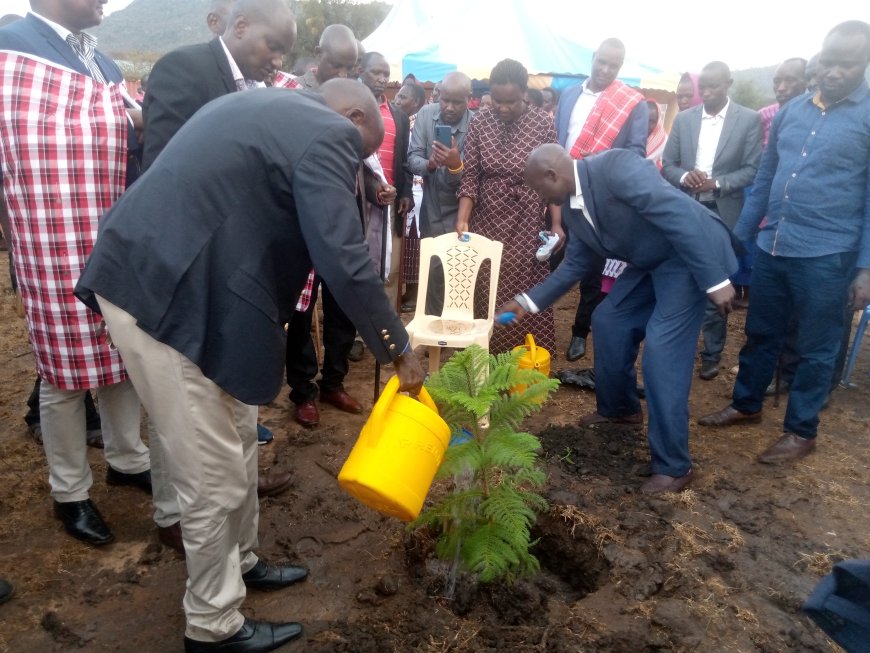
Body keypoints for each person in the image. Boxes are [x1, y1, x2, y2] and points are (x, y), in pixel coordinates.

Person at [75, 78, 425, 653]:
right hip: (169, 299)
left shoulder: (259, 103)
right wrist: (397, 348)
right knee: (211, 475)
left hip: (196, 285)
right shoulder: (329, 133)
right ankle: (213, 625)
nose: (358, 166)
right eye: (364, 150)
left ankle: (242, 560)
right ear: (354, 116)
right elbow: (343, 253)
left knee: (238, 436)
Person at [0, 0, 160, 547]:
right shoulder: (10, 48)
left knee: (120, 354)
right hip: (48, 239)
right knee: (62, 373)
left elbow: (127, 140)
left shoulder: (104, 63)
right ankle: (70, 492)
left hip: (111, 234)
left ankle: (127, 458)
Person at [500, 144, 739, 494]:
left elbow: (675, 212)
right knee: (609, 319)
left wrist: (714, 279)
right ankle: (620, 409)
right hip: (650, 260)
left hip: (689, 253)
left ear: (553, 175)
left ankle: (674, 466)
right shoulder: (572, 208)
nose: (540, 198)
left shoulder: (615, 166)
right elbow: (577, 266)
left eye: (539, 189)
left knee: (662, 349)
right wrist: (526, 301)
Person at [141, 0, 298, 520]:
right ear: (239, 25)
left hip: (233, 263)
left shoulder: (255, 88)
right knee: (183, 407)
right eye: (271, 46)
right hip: (184, 263)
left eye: (284, 52)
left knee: (226, 394)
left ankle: (240, 491)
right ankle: (175, 514)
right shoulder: (185, 68)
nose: (276, 60)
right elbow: (164, 170)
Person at [698, 20, 870, 465]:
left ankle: (801, 430)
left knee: (816, 346)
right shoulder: (794, 111)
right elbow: (765, 179)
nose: (832, 72)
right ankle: (746, 404)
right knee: (760, 333)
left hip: (829, 255)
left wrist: (866, 268)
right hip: (773, 245)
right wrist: (737, 242)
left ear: (864, 63)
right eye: (827, 62)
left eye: (845, 64)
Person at [284, 24, 367, 427]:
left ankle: (334, 381)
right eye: (338, 65)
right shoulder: (293, 94)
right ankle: (303, 391)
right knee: (300, 312)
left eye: (351, 67)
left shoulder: (352, 95)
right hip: (301, 221)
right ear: (318, 55)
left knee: (343, 306)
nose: (344, 75)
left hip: (342, 216)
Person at [661, 61, 762, 381]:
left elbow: (751, 169)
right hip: (687, 209)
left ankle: (712, 354)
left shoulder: (748, 120)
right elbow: (668, 165)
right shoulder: (686, 119)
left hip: (722, 211)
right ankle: (681, 346)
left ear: (728, 84)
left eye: (713, 86)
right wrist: (685, 177)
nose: (705, 92)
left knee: (719, 281)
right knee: (682, 275)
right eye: (702, 86)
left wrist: (715, 183)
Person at [456, 59, 560, 354]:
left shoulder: (543, 123)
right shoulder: (480, 121)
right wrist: (463, 219)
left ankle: (517, 358)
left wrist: (555, 224)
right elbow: (470, 177)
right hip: (486, 215)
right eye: (497, 100)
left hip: (526, 215)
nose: (501, 108)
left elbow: (553, 178)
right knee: (486, 282)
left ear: (525, 93)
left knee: (519, 282)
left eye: (510, 102)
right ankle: (482, 353)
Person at [555, 38, 649, 362]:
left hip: (599, 199)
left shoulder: (632, 104)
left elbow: (636, 152)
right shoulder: (569, 96)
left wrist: (600, 166)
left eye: (614, 65)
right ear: (593, 58)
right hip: (560, 194)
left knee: (592, 271)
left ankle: (580, 332)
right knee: (548, 257)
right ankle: (536, 326)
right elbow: (557, 142)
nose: (606, 70)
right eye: (602, 62)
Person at [407, 72, 474, 315]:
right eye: (445, 100)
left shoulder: (476, 124)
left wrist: (455, 165)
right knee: (432, 272)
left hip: (464, 212)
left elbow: (471, 179)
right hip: (431, 210)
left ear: (469, 98)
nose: (449, 107)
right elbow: (412, 158)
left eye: (457, 102)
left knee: (460, 273)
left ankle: (458, 330)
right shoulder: (426, 114)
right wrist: (430, 165)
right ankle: (433, 331)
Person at [358, 51, 414, 309]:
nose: (381, 79)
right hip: (357, 202)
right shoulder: (350, 108)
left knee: (390, 268)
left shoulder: (398, 116)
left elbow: (404, 161)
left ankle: (386, 328)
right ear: (361, 70)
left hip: (390, 203)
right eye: (375, 73)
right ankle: (357, 332)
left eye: (386, 74)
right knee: (359, 268)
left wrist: (405, 192)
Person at [393, 82, 427, 312]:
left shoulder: (420, 124)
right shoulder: (399, 120)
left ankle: (414, 292)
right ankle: (399, 291)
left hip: (419, 188)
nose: (397, 100)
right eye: (397, 95)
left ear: (415, 102)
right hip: (402, 186)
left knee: (415, 241)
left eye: (402, 97)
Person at [758, 58, 808, 146]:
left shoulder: (819, 115)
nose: (781, 88)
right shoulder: (763, 115)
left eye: (790, 80)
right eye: (777, 81)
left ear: (806, 83)